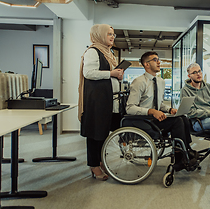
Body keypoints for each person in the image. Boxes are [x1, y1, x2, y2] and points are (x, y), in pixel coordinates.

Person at [126, 51, 197, 170]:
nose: (159, 62)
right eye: (155, 60)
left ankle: (186, 149)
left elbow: (159, 103)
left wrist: (169, 109)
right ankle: (180, 158)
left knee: (183, 118)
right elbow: (130, 108)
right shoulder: (139, 82)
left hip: (155, 119)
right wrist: (151, 111)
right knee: (177, 122)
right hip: (143, 120)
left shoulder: (160, 81)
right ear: (146, 64)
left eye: (159, 59)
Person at [78, 24, 124, 181]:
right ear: (99, 35)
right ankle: (94, 166)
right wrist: (111, 73)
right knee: (95, 134)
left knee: (103, 133)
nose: (112, 37)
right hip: (97, 101)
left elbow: (106, 74)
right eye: (109, 34)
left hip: (107, 100)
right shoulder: (93, 51)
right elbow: (89, 73)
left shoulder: (108, 53)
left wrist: (117, 75)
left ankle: (100, 161)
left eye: (113, 34)